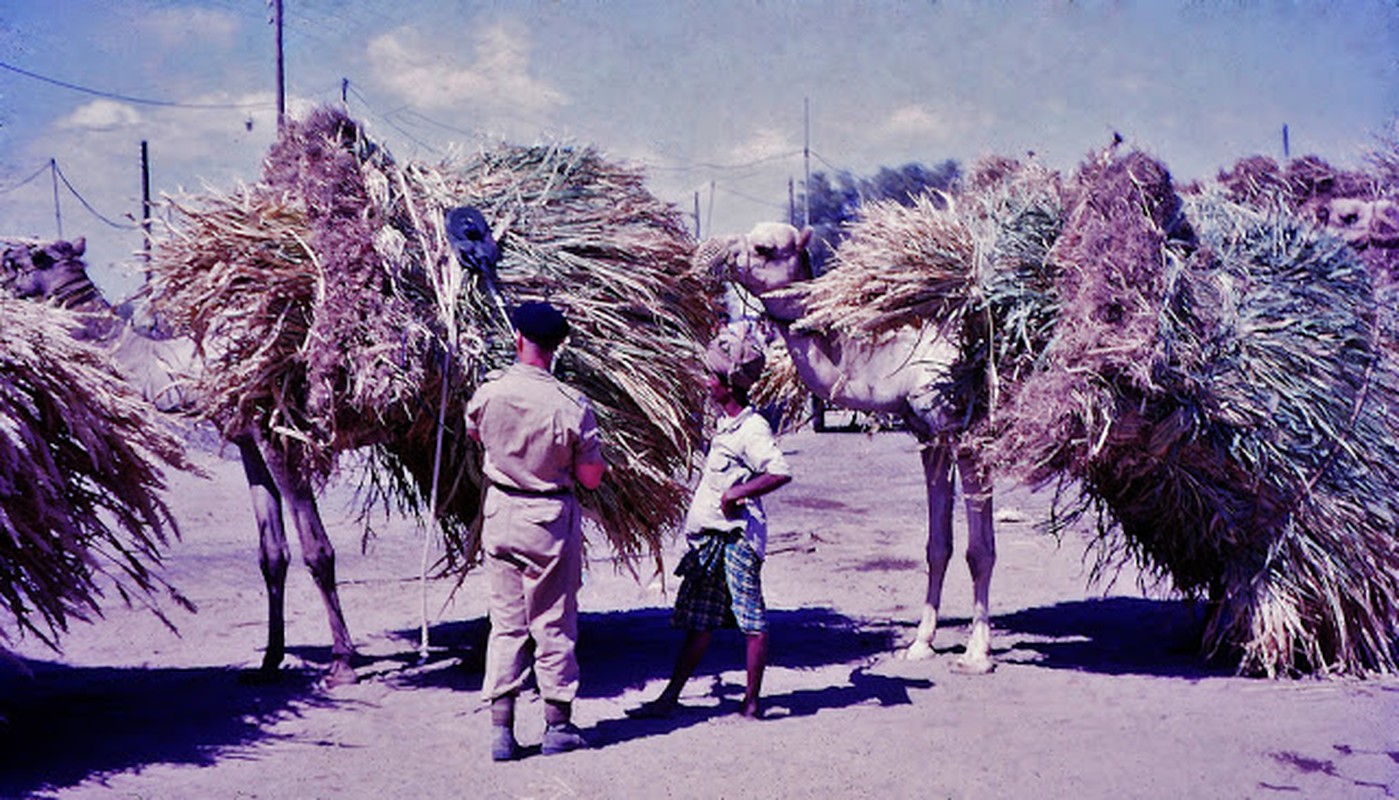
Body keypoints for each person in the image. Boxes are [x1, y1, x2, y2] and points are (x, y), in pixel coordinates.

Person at [465, 300, 607, 761]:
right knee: (552, 624)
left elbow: (474, 432)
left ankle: (502, 732)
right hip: (548, 521)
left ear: (519, 339)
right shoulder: (571, 405)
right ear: (557, 347)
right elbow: (590, 478)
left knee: (506, 626)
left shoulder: (490, 392)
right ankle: (557, 727)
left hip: (500, 514)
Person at [628, 322, 792, 720]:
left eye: (712, 377)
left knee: (751, 619)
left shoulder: (752, 428)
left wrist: (737, 493)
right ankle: (670, 698)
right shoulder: (726, 424)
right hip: (713, 540)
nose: (706, 382)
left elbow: (779, 471)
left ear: (729, 385)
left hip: (737, 540)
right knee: (699, 623)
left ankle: (751, 704)